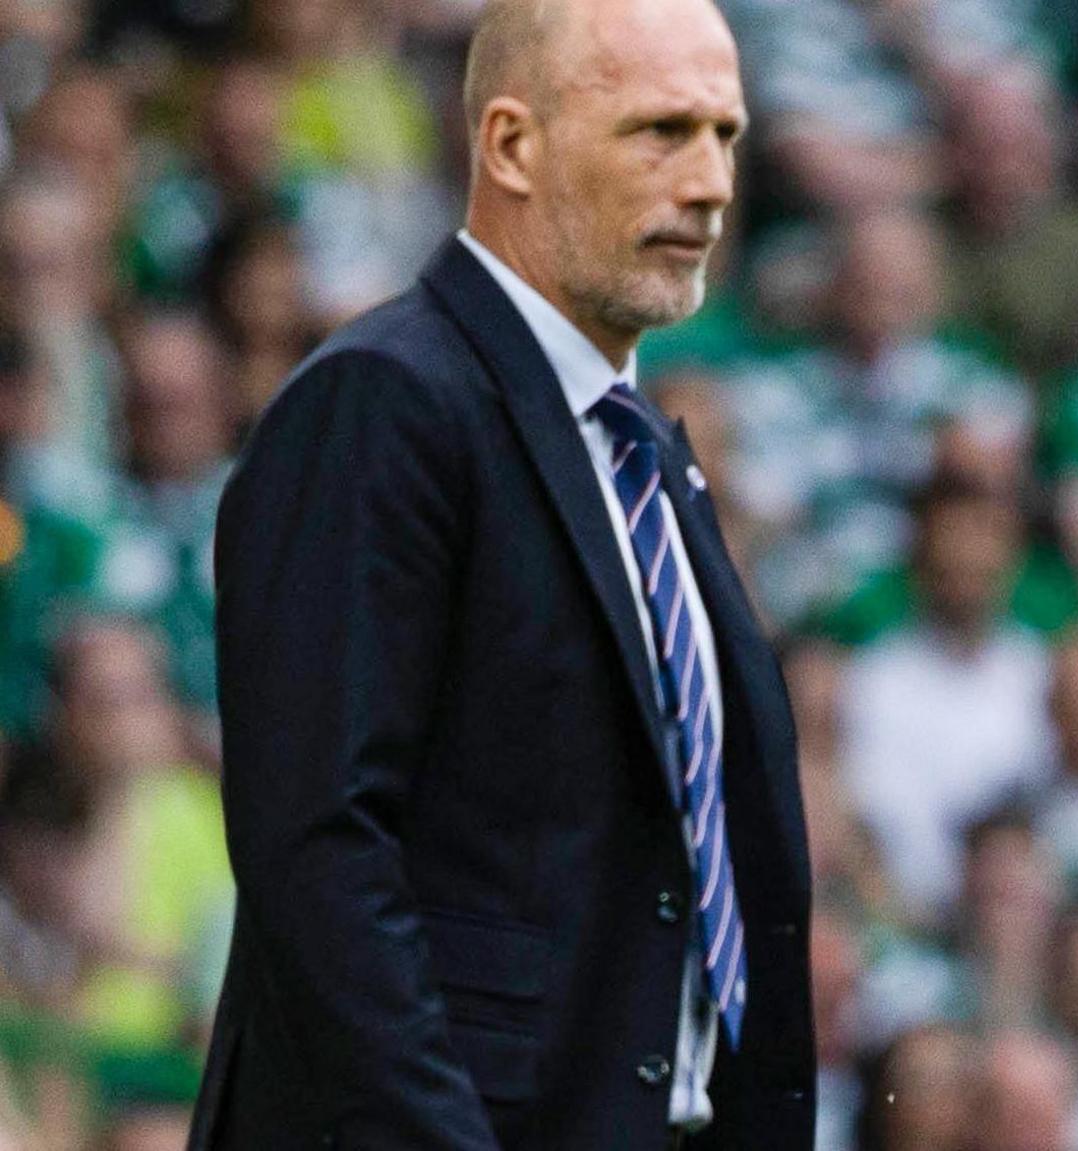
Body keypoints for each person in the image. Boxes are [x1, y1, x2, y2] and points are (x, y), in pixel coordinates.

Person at [189, 0, 814, 1147]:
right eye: (659, 132)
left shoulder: (639, 452)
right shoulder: (381, 401)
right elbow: (316, 847)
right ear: (511, 145)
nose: (711, 182)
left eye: (724, 134)